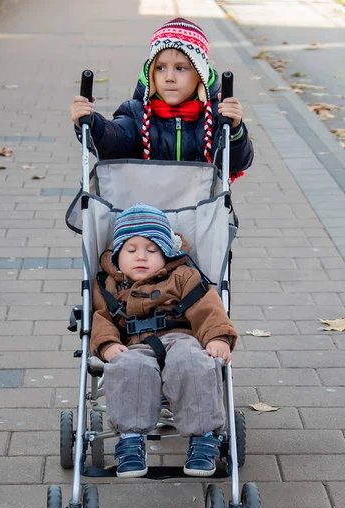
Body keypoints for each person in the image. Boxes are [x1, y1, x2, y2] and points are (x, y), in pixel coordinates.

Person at [91, 203, 238, 478]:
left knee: (193, 361)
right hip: (134, 344)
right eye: (131, 250)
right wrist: (107, 343)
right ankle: (131, 440)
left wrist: (217, 337)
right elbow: (101, 318)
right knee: (127, 367)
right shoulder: (110, 285)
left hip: (181, 338)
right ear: (117, 255)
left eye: (152, 250)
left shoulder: (183, 276)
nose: (141, 257)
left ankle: (203, 437)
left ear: (167, 252)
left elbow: (207, 309)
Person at [70, 18, 253, 176]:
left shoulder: (214, 116)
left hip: (203, 210)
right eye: (160, 68)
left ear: (200, 74)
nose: (169, 77)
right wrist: (91, 124)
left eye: (181, 68)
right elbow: (116, 142)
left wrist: (234, 129)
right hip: (147, 208)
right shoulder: (136, 113)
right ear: (151, 74)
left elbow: (237, 163)